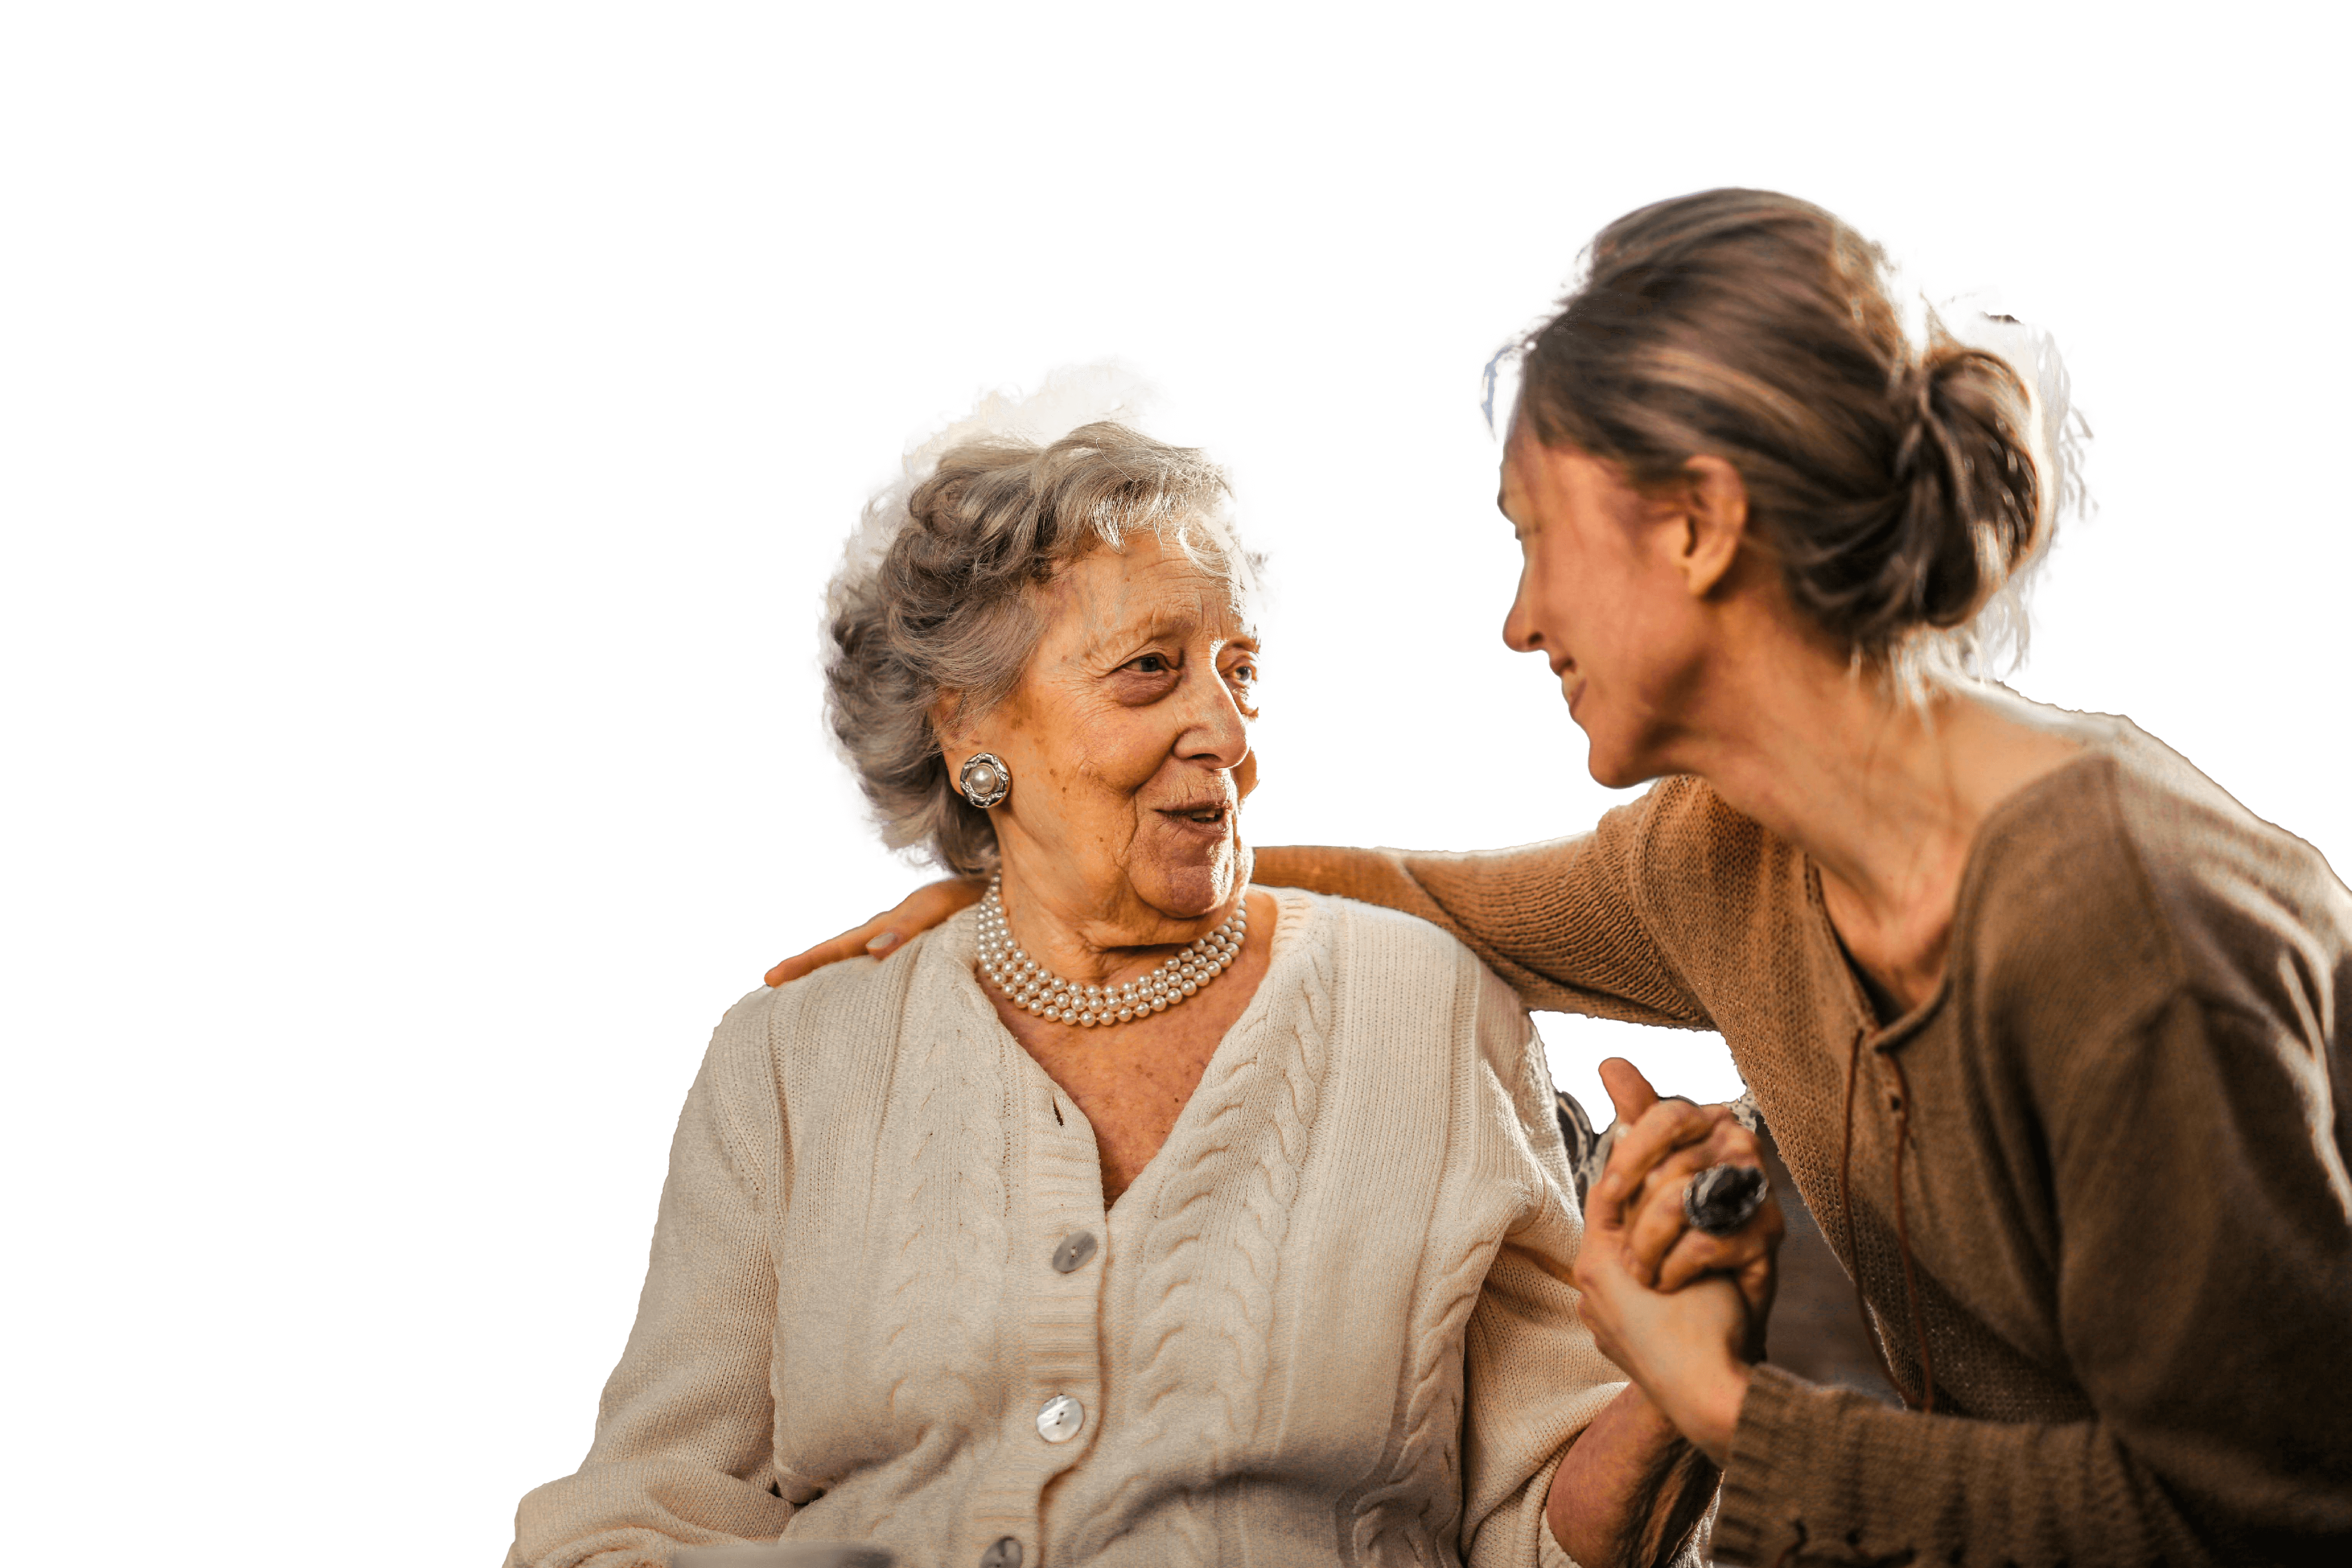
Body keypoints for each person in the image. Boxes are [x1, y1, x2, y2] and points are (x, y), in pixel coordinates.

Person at [771, 189, 2352, 1565]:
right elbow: (1427, 896)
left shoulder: (2120, 921)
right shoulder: (1727, 857)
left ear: (1698, 526)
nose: (1521, 620)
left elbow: (2261, 1518)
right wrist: (1049, 883)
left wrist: (1722, 1402)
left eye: (1539, 537)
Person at [507, 358, 1777, 1568]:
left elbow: (1541, 1535)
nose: (1223, 731)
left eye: (1240, 675)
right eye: (1151, 672)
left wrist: (1676, 1391)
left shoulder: (1427, 1009)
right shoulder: (789, 1061)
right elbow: (640, 1515)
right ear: (968, 728)